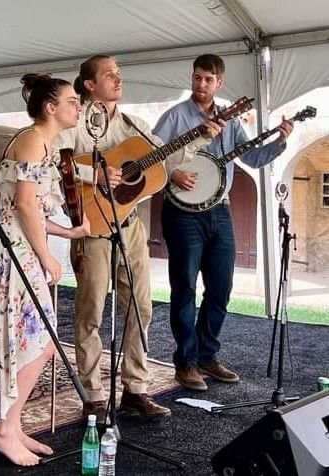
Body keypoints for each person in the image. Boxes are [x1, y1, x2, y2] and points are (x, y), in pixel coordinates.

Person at [54, 55, 219, 420]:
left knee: (140, 308)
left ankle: (135, 389)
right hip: (93, 228)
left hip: (129, 228)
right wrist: (93, 174)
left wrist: (195, 140)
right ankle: (94, 396)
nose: (118, 79)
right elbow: (53, 161)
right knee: (91, 313)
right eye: (109, 75)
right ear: (89, 86)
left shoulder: (135, 124)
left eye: (119, 74)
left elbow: (165, 160)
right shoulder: (74, 123)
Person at [153, 54, 293, 391]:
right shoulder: (174, 117)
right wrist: (174, 172)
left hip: (220, 211)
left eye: (208, 80)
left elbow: (252, 158)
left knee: (221, 288)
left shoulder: (230, 121)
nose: (201, 85)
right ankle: (185, 362)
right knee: (185, 288)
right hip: (182, 213)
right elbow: (152, 159)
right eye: (197, 78)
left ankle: (207, 356)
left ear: (220, 84)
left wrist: (282, 140)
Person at [0, 73, 90, 466]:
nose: (78, 106)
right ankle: (5, 430)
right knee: (37, 343)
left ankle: (12, 422)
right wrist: (47, 256)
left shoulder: (41, 143)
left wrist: (70, 229)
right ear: (50, 107)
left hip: (23, 246)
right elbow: (23, 207)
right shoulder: (30, 140)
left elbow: (30, 209)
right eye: (72, 100)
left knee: (33, 342)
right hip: (17, 253)